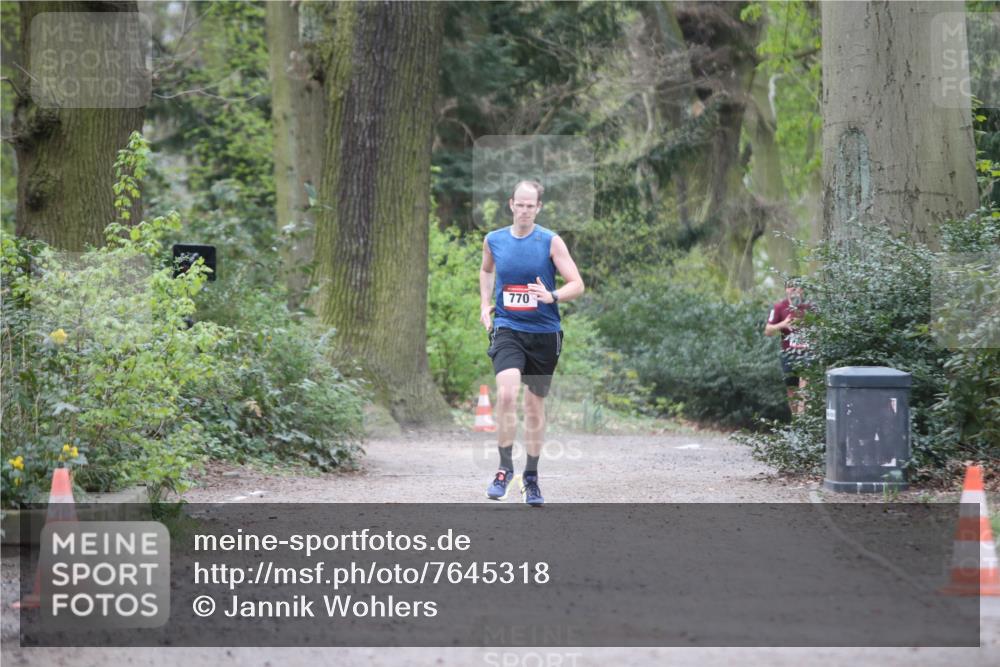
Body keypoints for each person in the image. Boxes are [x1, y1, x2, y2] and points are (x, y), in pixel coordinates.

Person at [479, 180, 585, 506]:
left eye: (531, 205)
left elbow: (577, 284)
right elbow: (486, 271)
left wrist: (551, 295)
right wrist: (485, 305)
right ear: (511, 204)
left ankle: (532, 477)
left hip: (544, 333)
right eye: (519, 204)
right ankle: (504, 469)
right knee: (507, 393)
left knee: (533, 407)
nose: (524, 210)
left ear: (538, 208)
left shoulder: (550, 242)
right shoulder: (494, 240)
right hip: (508, 327)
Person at [764, 278, 812, 415]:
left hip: (807, 352)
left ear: (802, 290)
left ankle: (803, 420)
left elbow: (821, 327)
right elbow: (768, 331)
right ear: (786, 290)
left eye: (797, 287)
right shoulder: (779, 307)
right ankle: (796, 420)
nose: (794, 289)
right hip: (788, 353)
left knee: (804, 384)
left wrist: (808, 325)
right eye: (791, 287)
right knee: (792, 389)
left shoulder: (810, 307)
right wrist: (783, 324)